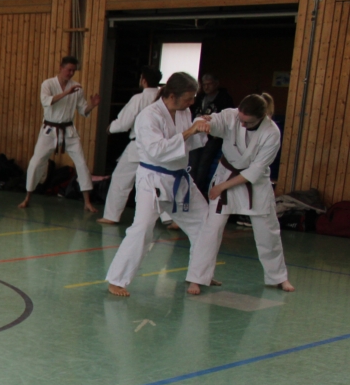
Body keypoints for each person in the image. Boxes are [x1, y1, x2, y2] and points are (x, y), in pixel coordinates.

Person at [104, 72, 211, 297]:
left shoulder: (184, 111)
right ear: (172, 96)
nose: (192, 102)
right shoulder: (149, 116)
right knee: (142, 229)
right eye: (188, 98)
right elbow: (157, 150)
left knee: (205, 223)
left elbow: (190, 143)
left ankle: (199, 275)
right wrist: (190, 131)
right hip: (153, 180)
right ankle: (116, 279)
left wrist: (200, 126)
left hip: (180, 179)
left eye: (193, 98)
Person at [189, 93, 293, 293]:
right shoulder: (231, 116)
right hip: (226, 172)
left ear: (262, 117)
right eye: (241, 119)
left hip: (255, 184)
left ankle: (278, 277)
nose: (242, 124)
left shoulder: (271, 132)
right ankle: (197, 278)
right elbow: (211, 121)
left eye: (248, 122)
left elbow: (255, 171)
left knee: (268, 232)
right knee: (211, 229)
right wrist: (202, 123)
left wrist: (221, 187)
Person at [99, 66, 178, 231]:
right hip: (162, 146)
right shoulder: (165, 98)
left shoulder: (139, 98)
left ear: (143, 80)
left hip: (139, 146)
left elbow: (124, 122)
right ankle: (170, 218)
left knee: (120, 179)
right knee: (159, 180)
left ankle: (111, 216)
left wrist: (111, 128)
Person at [17, 56, 100, 212]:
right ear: (61, 68)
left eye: (74, 71)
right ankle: (27, 197)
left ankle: (87, 202)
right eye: (69, 70)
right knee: (36, 162)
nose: (71, 73)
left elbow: (83, 110)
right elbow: (46, 101)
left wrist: (92, 105)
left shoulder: (77, 87)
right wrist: (66, 93)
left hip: (68, 131)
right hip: (49, 130)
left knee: (81, 163)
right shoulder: (48, 84)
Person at [188, 72, 235, 193]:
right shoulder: (199, 98)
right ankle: (189, 188)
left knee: (204, 164)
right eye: (204, 85)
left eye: (209, 84)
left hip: (213, 136)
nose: (206, 87)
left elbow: (228, 120)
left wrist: (217, 133)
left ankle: (198, 190)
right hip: (197, 134)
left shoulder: (224, 98)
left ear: (216, 84)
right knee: (193, 163)